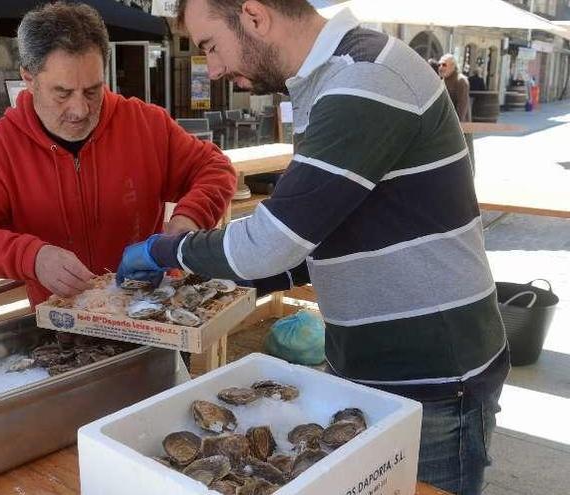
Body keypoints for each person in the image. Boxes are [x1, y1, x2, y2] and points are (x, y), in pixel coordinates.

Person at [117, 2, 508, 495]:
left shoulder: (364, 77)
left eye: (210, 46)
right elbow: (315, 240)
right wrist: (205, 285)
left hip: (433, 377)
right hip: (373, 367)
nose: (212, 69)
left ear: (254, 16)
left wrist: (166, 250)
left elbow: (273, 242)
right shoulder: (324, 83)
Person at [0, 2, 235, 307]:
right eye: (63, 93)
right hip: (62, 324)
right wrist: (33, 257)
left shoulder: (145, 123)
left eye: (93, 91)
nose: (80, 110)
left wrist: (189, 217)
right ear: (28, 80)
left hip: (152, 310)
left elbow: (215, 168)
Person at [439, 54, 471, 122]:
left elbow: (462, 107)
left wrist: (456, 126)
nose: (441, 67)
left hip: (458, 127)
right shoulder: (442, 81)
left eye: (444, 65)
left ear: (452, 66)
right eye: (439, 65)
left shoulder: (461, 81)